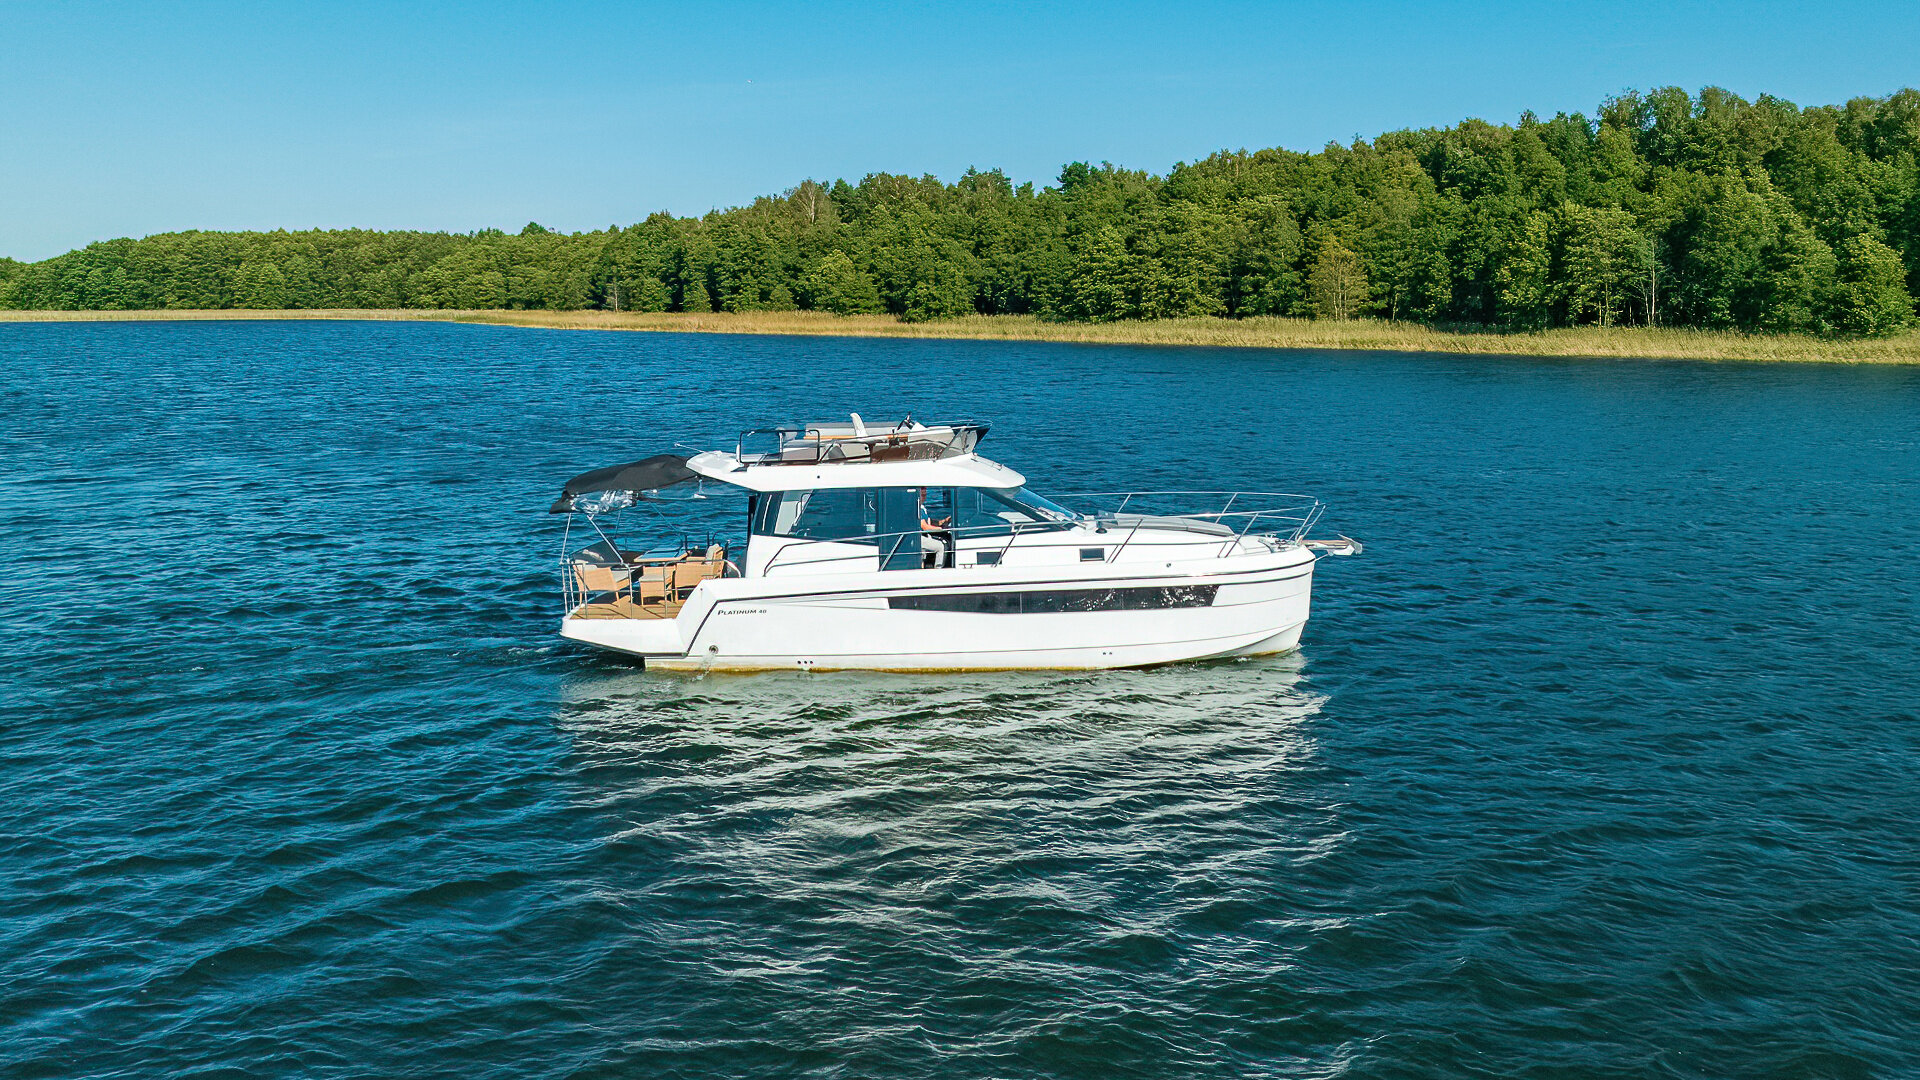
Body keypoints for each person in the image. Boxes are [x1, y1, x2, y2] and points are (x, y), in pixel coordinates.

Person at [918, 488, 952, 567]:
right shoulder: (918, 509)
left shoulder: (922, 508)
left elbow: (929, 521)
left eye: (925, 495)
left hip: (924, 536)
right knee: (940, 546)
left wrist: (944, 521)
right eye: (922, 495)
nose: (924, 497)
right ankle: (938, 568)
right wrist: (941, 529)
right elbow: (925, 527)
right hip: (918, 537)